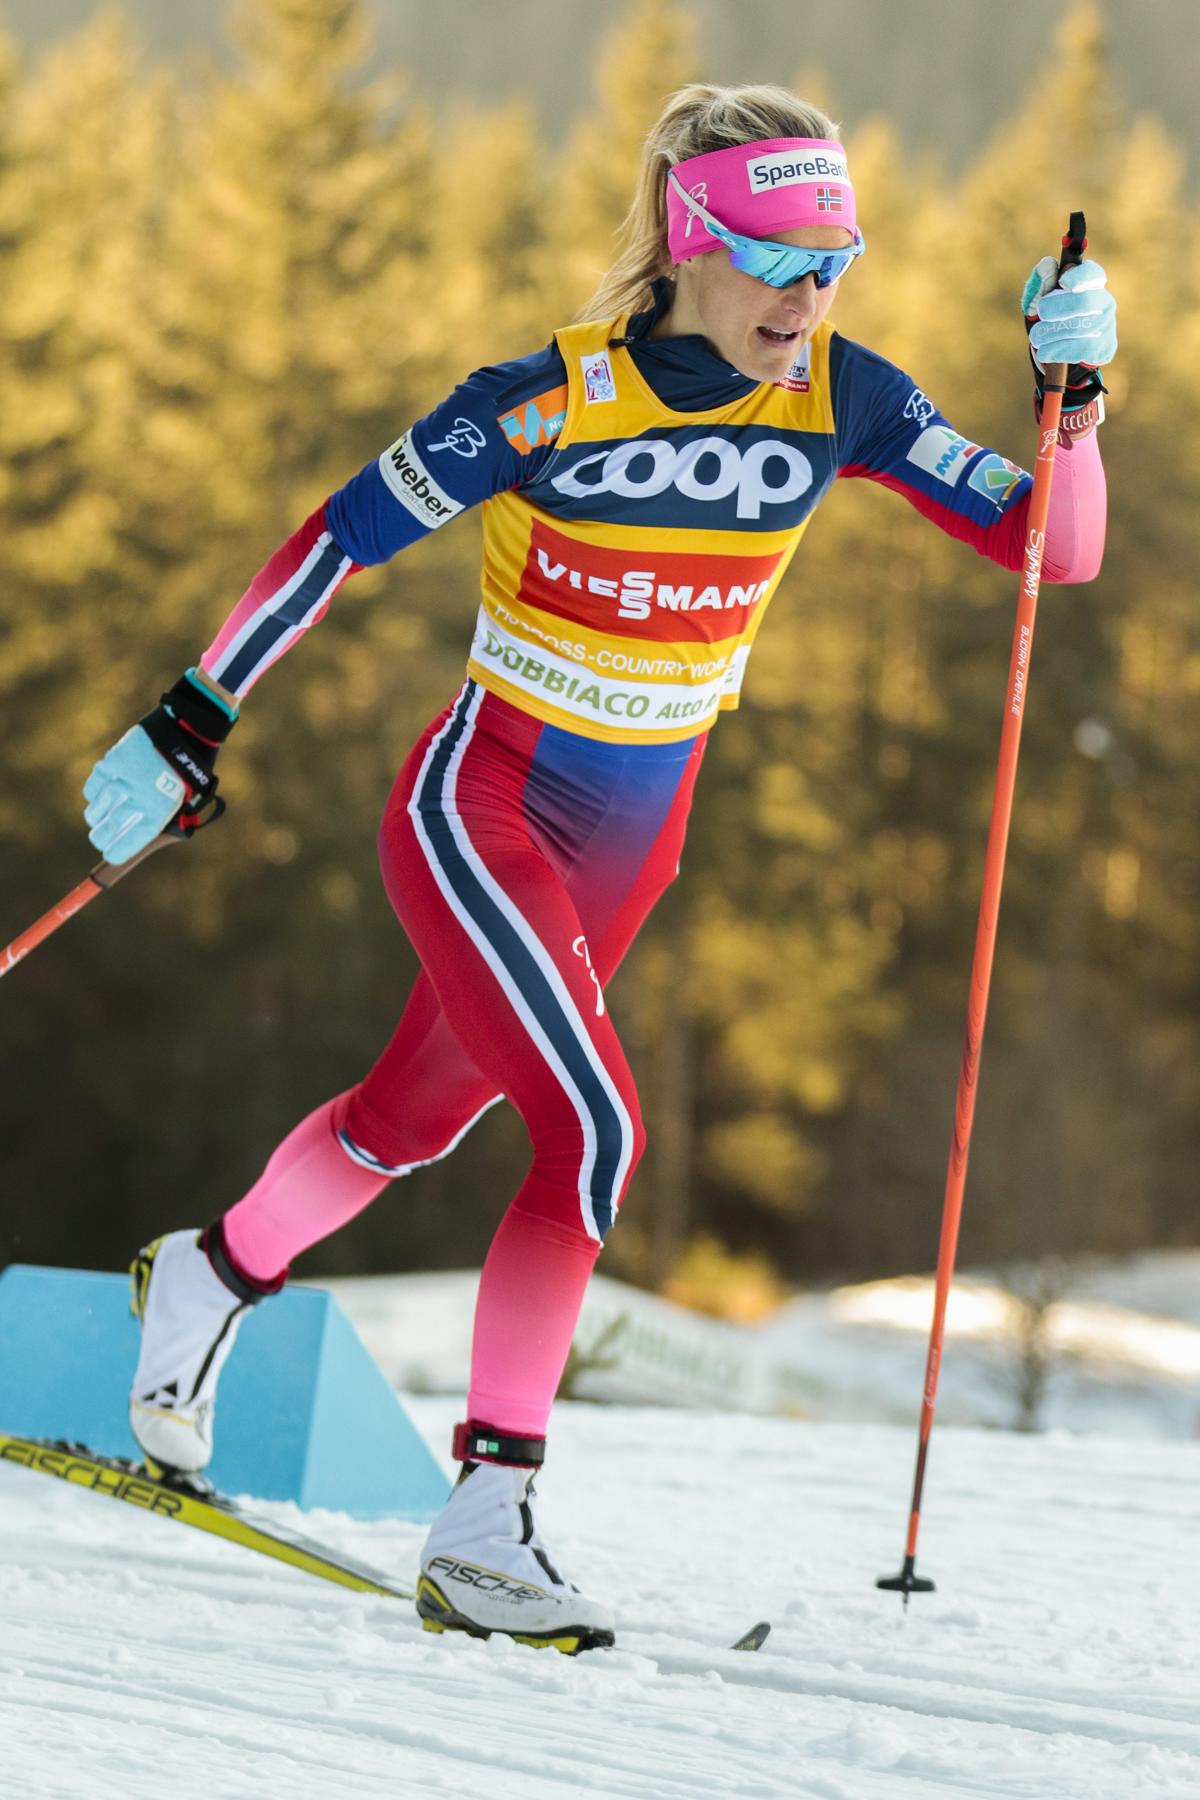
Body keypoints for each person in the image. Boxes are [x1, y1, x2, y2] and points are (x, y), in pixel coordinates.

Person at [83, 83, 1117, 1655]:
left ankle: (208, 1277)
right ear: (692, 240)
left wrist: (1078, 401)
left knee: (406, 1125)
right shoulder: (545, 402)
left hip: (629, 849)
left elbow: (1054, 546)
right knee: (594, 1131)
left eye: (832, 256)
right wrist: (191, 714)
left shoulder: (844, 398)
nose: (809, 293)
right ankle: (489, 1514)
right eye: (777, 256)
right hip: (480, 807)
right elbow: (335, 539)